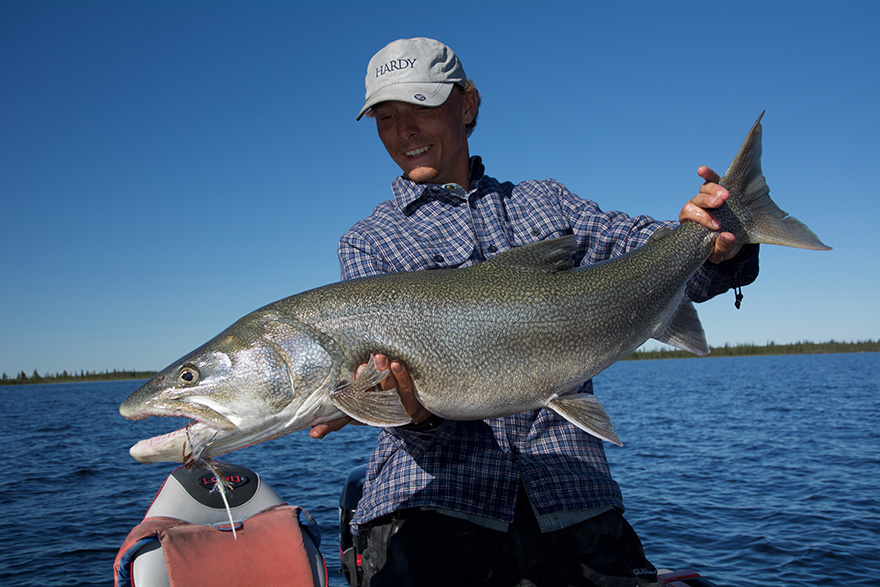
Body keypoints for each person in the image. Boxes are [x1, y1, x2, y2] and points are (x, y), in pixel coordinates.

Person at [310, 37, 759, 587]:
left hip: (576, 504)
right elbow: (393, 403)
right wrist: (403, 408)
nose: (404, 131)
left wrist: (714, 234)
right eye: (385, 117)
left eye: (421, 107)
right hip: (430, 506)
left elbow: (654, 249)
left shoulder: (548, 203)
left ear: (467, 104)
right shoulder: (369, 242)